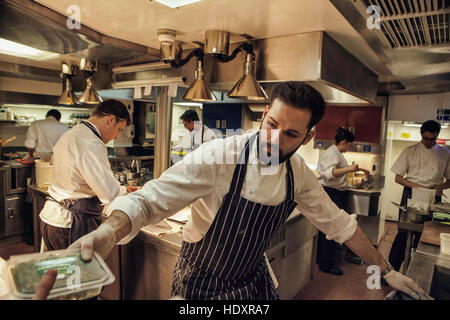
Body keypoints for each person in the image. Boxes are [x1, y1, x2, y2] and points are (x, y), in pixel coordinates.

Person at [69, 82, 427, 300]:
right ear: (264, 114)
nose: (274, 140)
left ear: (309, 137)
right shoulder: (219, 156)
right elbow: (148, 199)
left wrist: (385, 268)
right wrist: (107, 231)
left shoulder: (297, 174)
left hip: (251, 280)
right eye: (271, 124)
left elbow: (339, 224)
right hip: (200, 284)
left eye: (290, 134)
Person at [39, 99, 137, 251]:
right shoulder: (90, 142)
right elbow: (108, 193)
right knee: (78, 274)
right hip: (70, 224)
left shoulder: (73, 133)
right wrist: (126, 191)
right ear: (111, 119)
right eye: (119, 129)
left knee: (60, 273)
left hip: (53, 220)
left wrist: (122, 189)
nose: (117, 136)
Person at [388, 120, 450, 271]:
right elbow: (398, 177)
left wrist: (439, 187)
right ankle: (391, 271)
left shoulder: (445, 154)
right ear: (421, 134)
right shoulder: (410, 151)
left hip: (434, 195)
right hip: (411, 193)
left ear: (437, 136)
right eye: (426, 139)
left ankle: (416, 271)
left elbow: (449, 180)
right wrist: (419, 187)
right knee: (403, 234)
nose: (429, 142)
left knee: (425, 236)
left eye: (432, 139)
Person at [316, 127, 370, 275]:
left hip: (336, 193)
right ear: (344, 142)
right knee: (330, 228)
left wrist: (357, 169)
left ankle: (328, 259)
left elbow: (339, 172)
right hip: (330, 193)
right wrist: (350, 168)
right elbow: (330, 174)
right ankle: (325, 264)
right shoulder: (332, 153)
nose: (349, 147)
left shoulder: (337, 153)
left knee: (334, 227)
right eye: (349, 144)